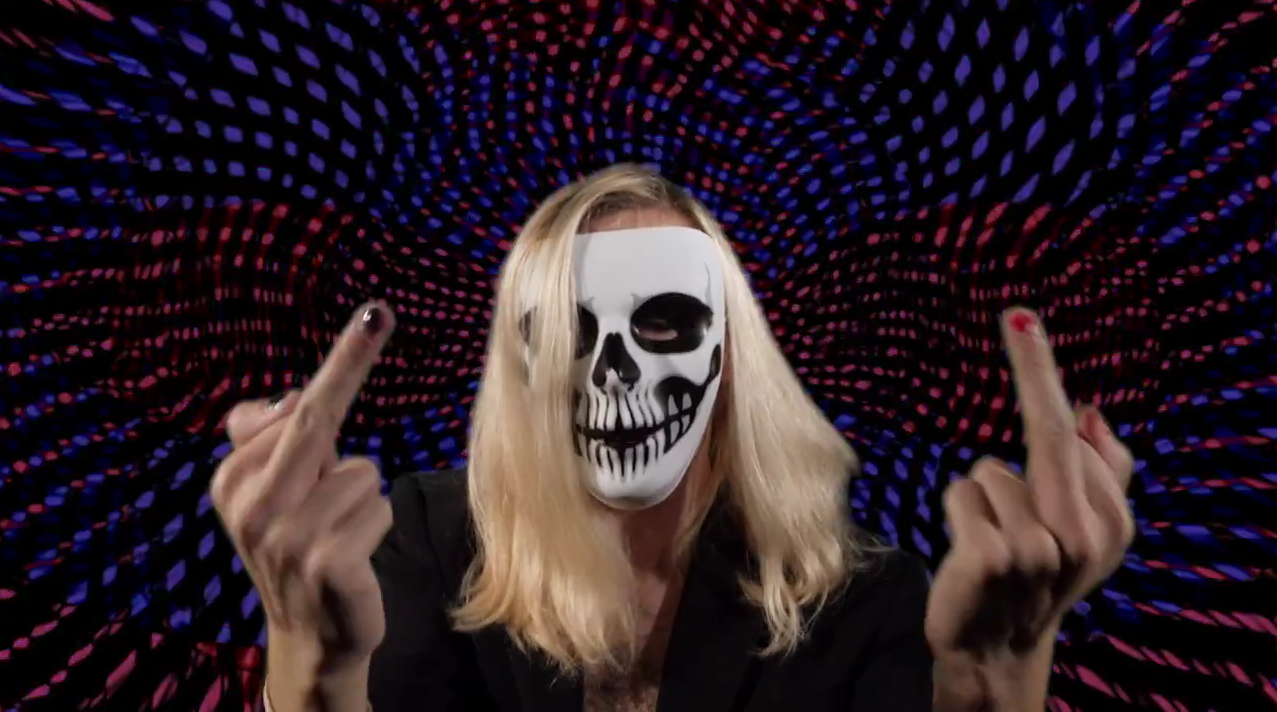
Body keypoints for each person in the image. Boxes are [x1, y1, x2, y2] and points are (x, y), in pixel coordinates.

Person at [211, 164, 1136, 712]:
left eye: (663, 323)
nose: (611, 374)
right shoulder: (428, 538)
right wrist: (309, 667)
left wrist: (998, 681)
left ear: (730, 358)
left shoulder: (864, 599)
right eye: (567, 335)